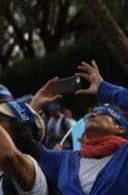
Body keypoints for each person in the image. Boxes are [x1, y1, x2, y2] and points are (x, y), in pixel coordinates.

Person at [31, 60, 128, 194]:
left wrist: (103, 88)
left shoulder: (124, 155)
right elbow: (21, 144)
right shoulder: (64, 160)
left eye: (102, 113)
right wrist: (33, 108)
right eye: (92, 112)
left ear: (120, 128)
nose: (93, 114)